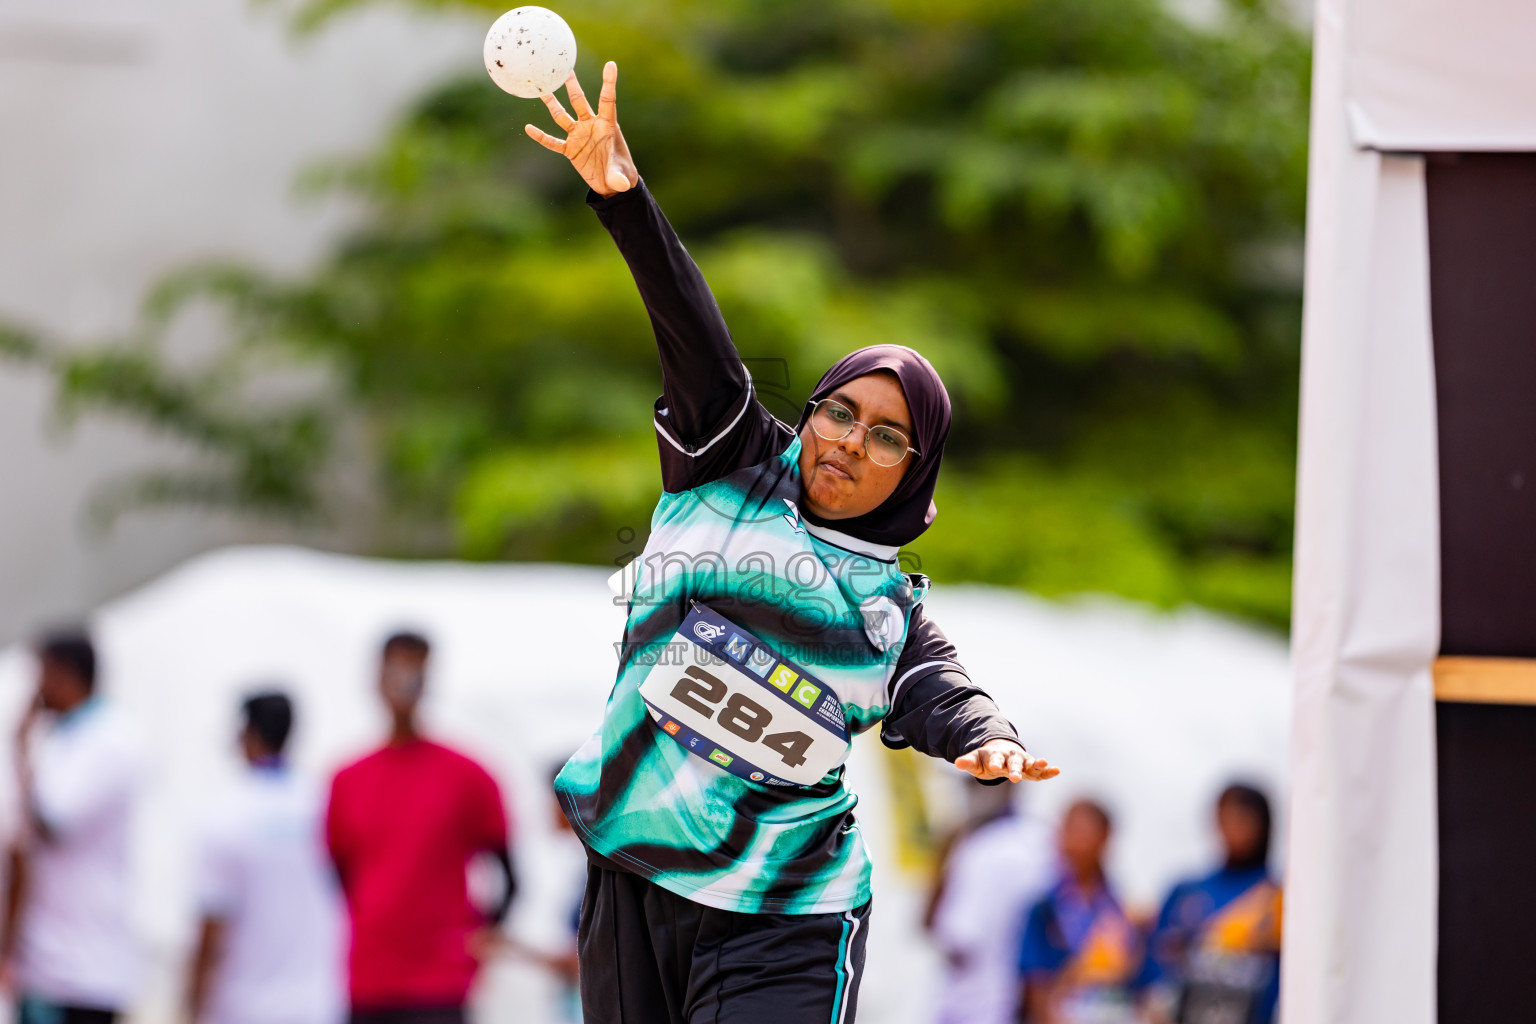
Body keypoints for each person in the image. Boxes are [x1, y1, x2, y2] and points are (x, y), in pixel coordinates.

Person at [523, 61, 1059, 1023]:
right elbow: (691, 326)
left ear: (916, 472)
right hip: (634, 875)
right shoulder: (728, 460)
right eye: (839, 412)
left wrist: (990, 740)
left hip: (784, 920)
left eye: (886, 435)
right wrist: (623, 197)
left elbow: (940, 693)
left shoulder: (888, 614)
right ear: (807, 416)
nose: (851, 440)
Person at [325, 632, 516, 1024]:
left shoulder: (468, 774)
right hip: (369, 981)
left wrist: (483, 932)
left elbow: (510, 873)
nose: (403, 681)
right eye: (395, 668)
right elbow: (339, 876)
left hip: (441, 984)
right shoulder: (346, 779)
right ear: (377, 678)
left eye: (413, 669)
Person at [1, 629, 142, 1024]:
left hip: (83, 965)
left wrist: (20, 750)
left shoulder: (111, 740)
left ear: (66, 673)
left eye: (42, 674)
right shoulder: (65, 739)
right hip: (47, 960)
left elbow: (53, 822)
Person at [187, 691, 343, 1024]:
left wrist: (191, 1010)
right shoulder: (323, 803)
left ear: (245, 734)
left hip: (244, 1008)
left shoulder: (224, 811)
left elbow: (210, 927)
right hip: (317, 1005)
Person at [1138, 784, 1282, 1024]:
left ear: (1264, 825)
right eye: (1225, 817)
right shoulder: (1185, 892)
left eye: (1243, 818)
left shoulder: (1278, 899)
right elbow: (1153, 961)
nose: (1233, 828)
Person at [924, 782, 1055, 1024]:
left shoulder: (980, 846)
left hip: (977, 1000)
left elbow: (956, 937)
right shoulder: (1042, 839)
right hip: (1018, 998)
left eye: (974, 785)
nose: (969, 795)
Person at [1015, 800, 1141, 1024]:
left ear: (1105, 838)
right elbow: (1035, 984)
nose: (1072, 842)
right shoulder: (1046, 908)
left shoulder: (1119, 910)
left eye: (1082, 832)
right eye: (1068, 831)